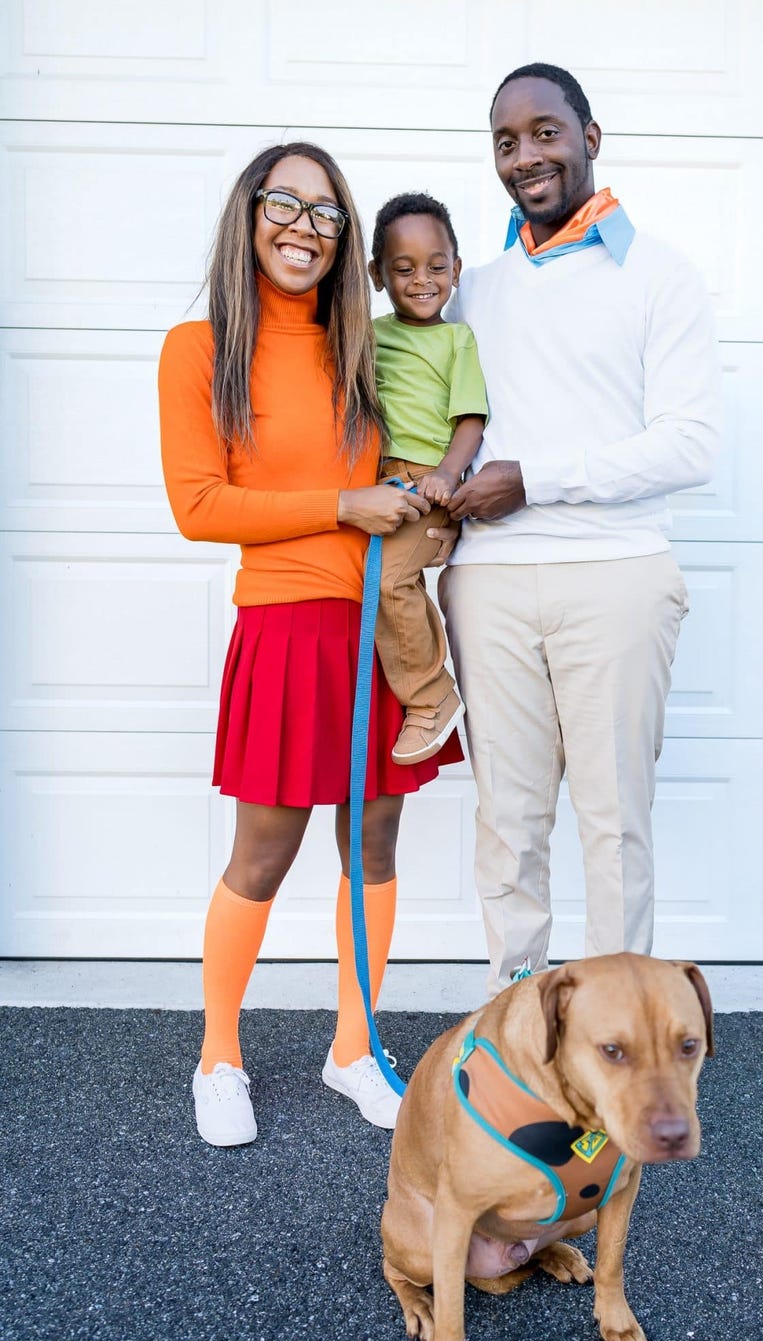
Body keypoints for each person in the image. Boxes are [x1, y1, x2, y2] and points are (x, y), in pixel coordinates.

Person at [158, 143, 461, 1145]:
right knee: (264, 852)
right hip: (284, 631)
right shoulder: (199, 347)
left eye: (327, 215)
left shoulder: (366, 348)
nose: (304, 226)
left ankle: (350, 1048)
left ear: (345, 244)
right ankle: (217, 1055)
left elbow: (434, 434)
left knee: (372, 843)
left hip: (378, 626)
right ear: (247, 214)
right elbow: (199, 506)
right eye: (284, 204)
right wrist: (343, 502)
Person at [439, 63, 722, 993]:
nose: (527, 157)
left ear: (590, 138)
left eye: (545, 133)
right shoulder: (472, 292)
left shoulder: (660, 276)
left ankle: (619, 1031)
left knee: (613, 818)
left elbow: (689, 445)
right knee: (508, 819)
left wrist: (537, 479)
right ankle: (520, 1018)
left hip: (617, 575)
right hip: (489, 585)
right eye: (506, 142)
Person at [367, 192, 487, 765]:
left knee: (391, 581)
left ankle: (431, 696)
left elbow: (470, 418)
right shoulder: (368, 336)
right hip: (380, 484)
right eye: (404, 268)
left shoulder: (455, 340)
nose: (423, 280)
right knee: (372, 585)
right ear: (377, 275)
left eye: (437, 266)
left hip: (429, 485)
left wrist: (445, 473)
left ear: (456, 270)